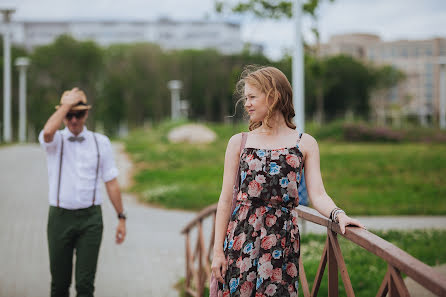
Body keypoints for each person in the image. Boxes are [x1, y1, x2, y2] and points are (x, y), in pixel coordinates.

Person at [211, 66, 364, 297]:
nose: (246, 103)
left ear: (273, 96)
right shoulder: (239, 142)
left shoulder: (305, 143)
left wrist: (338, 214)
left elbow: (318, 194)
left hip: (281, 245)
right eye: (246, 98)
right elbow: (224, 200)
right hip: (241, 241)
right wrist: (217, 252)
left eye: (252, 97)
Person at [38, 87, 127, 297]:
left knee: (85, 286)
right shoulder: (55, 141)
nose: (74, 120)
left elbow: (111, 183)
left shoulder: (101, 142)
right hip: (60, 218)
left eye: (78, 114)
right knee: (59, 285)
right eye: (69, 115)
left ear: (86, 114)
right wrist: (67, 104)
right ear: (63, 115)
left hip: (91, 219)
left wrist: (121, 217)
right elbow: (48, 132)